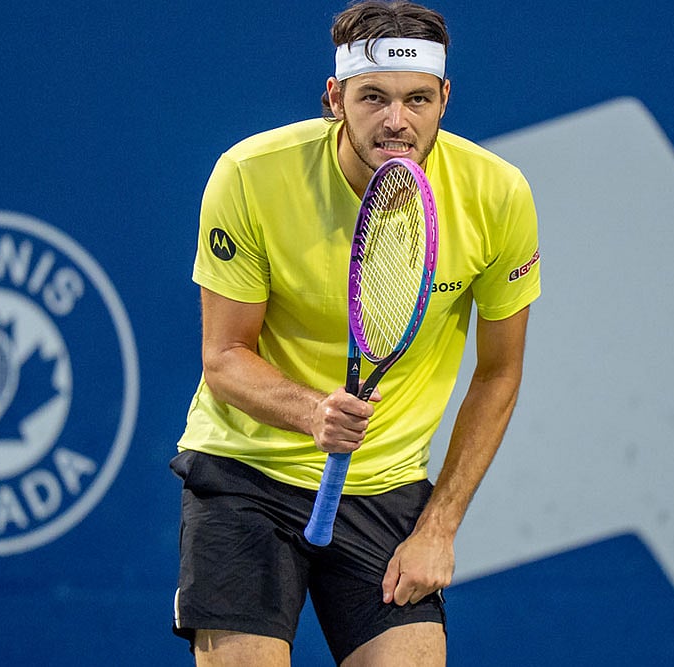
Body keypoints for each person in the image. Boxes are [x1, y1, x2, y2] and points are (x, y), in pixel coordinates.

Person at [171, 1, 541, 665]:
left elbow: (498, 373)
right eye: (374, 97)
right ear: (334, 97)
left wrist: (440, 526)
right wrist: (312, 411)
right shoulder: (251, 175)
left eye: (417, 99)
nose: (397, 121)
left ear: (444, 98)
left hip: (387, 485)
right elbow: (224, 357)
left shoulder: (498, 195)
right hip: (247, 471)